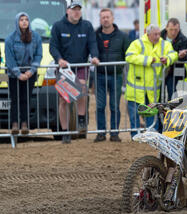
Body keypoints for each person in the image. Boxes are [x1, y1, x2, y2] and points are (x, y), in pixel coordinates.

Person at [50, 0, 100, 144]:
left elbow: (92, 43)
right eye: (74, 9)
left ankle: (81, 119)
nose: (76, 12)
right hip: (64, 68)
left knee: (82, 88)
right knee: (63, 100)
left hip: (81, 65)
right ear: (68, 11)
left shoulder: (87, 26)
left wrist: (95, 56)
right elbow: (53, 46)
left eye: (79, 9)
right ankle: (65, 131)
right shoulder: (58, 26)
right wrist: (59, 59)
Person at [125, 24, 177, 138]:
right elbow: (129, 56)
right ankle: (135, 134)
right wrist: (148, 60)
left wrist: (167, 59)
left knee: (152, 111)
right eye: (155, 34)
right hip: (136, 87)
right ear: (148, 34)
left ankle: (151, 134)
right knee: (134, 112)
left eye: (159, 33)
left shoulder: (165, 44)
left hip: (153, 87)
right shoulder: (137, 43)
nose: (158, 36)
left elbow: (174, 54)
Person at [94, 8, 130, 143]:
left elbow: (129, 53)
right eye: (103, 17)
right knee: (100, 106)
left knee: (114, 105)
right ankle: (100, 133)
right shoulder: (95, 35)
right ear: (100, 19)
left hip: (116, 75)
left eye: (107, 17)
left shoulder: (122, 36)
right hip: (100, 75)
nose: (105, 19)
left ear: (113, 18)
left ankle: (114, 133)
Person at [5, 12, 42, 135]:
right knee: (15, 99)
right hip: (13, 74)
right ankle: (15, 124)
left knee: (26, 99)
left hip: (29, 74)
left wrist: (31, 71)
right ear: (17, 22)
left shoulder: (36, 37)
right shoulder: (10, 39)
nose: (24, 22)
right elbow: (9, 59)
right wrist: (18, 74)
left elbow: (38, 55)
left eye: (26, 19)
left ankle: (25, 124)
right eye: (21, 20)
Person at [161, 18, 187, 100]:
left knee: (172, 91)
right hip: (160, 69)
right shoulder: (159, 36)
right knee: (159, 92)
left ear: (179, 29)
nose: (173, 32)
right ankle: (159, 111)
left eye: (176, 30)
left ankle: (171, 111)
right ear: (166, 28)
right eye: (171, 29)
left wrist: (182, 56)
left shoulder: (183, 39)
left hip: (174, 70)